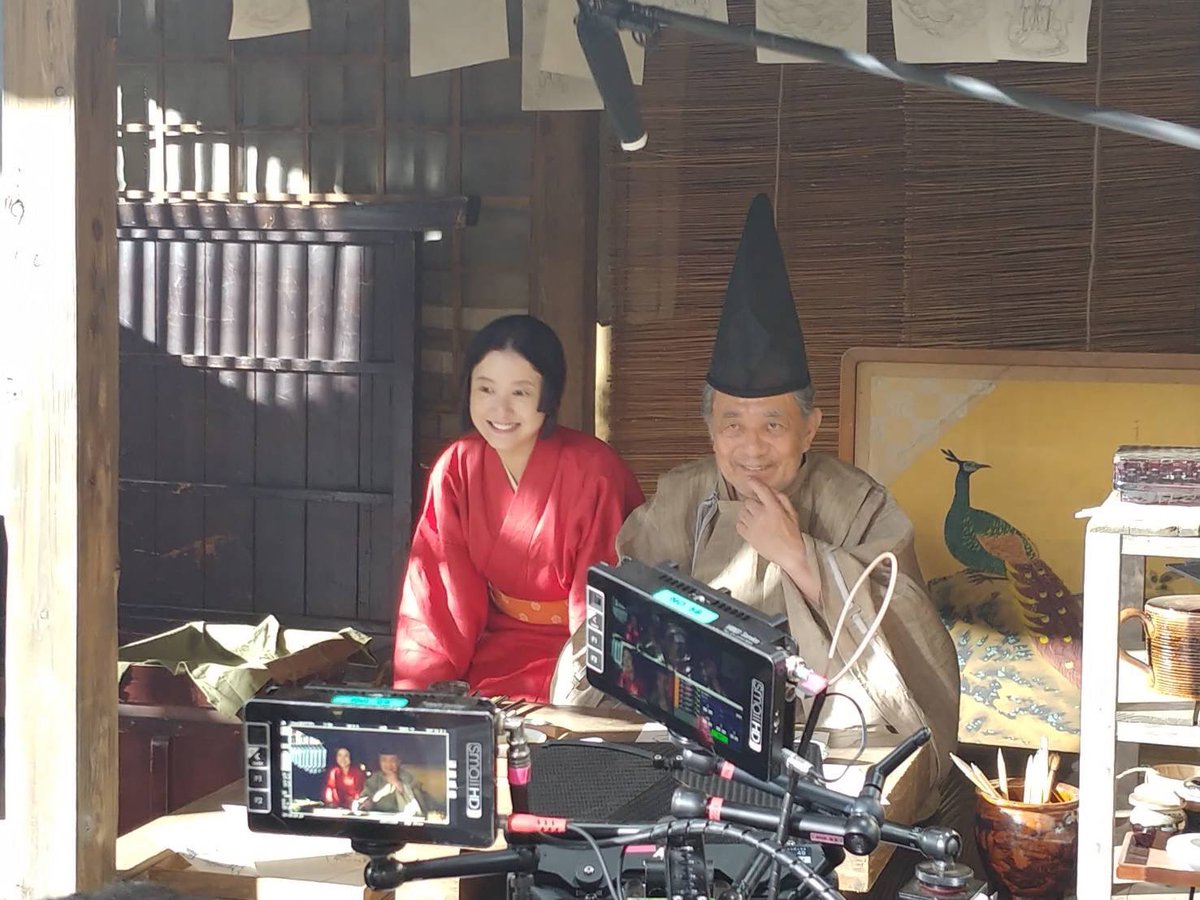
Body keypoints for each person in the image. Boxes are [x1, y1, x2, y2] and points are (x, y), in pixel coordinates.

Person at [550, 196, 965, 884]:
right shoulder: (683, 496)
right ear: (710, 427)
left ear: (811, 427)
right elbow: (615, 625)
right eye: (732, 424)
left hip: (826, 742)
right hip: (688, 744)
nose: (750, 448)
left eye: (772, 425)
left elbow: (912, 662)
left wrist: (802, 557)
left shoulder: (858, 504)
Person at [392, 314, 645, 701]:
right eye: (486, 389)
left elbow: (600, 605)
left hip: (575, 655)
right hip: (495, 648)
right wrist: (424, 696)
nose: (501, 410)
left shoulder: (595, 473)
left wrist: (588, 682)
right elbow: (437, 597)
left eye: (521, 393)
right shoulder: (457, 468)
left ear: (549, 396)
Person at [352, 752, 433, 817]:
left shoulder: (408, 778)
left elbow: (419, 808)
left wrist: (398, 784)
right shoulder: (374, 779)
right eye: (384, 760)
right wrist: (375, 798)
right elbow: (362, 804)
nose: (388, 764)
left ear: (398, 762)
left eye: (392, 760)